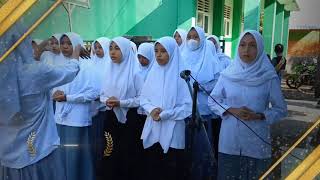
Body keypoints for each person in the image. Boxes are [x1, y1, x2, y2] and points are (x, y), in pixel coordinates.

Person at [0, 22, 81, 180]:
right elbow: (70, 72)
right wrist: (75, 55)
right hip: (38, 151)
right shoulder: (36, 71)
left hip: (7, 156)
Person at [208, 30, 288, 179]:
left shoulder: (268, 77)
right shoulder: (228, 74)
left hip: (257, 141)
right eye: (242, 45)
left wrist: (259, 115)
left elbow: (281, 109)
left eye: (252, 45)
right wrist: (231, 110)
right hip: (230, 140)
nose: (246, 50)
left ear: (260, 49)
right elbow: (213, 100)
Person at [140, 36, 191, 180]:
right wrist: (151, 109)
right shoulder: (153, 73)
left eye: (163, 51)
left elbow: (188, 107)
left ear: (172, 52)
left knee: (171, 169)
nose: (158, 55)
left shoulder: (182, 75)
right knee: (154, 168)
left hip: (173, 129)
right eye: (156, 51)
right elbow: (143, 98)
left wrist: (165, 114)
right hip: (153, 127)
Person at [53, 32, 98, 180]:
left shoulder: (88, 65)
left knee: (76, 156)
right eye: (63, 43)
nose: (65, 46)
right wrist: (55, 92)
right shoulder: (59, 63)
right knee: (60, 154)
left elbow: (93, 93)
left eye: (69, 43)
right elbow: (50, 87)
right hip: (60, 118)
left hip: (77, 119)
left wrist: (68, 97)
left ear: (77, 45)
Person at [99, 37, 144, 180]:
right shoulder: (108, 71)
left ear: (125, 50)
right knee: (109, 152)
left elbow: (142, 99)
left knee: (128, 154)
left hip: (130, 119)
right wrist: (108, 100)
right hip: (111, 117)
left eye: (117, 48)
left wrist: (121, 103)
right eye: (111, 48)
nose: (112, 52)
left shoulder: (136, 73)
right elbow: (101, 94)